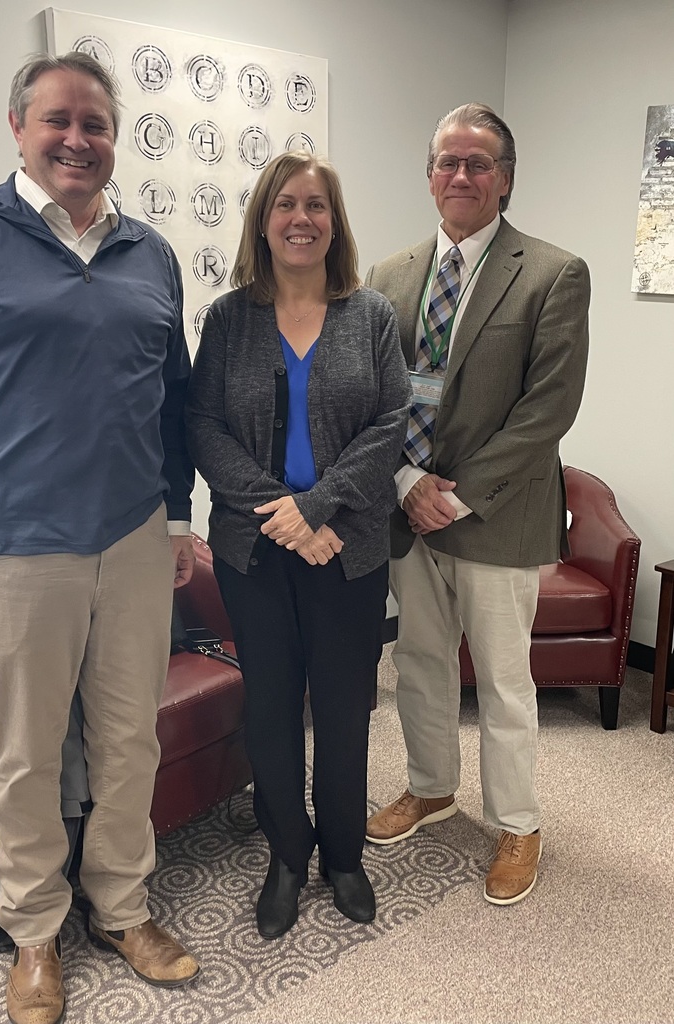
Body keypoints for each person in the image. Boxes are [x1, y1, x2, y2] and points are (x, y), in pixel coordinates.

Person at [0, 52, 199, 1024]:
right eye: (58, 119)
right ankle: (32, 934)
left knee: (126, 740)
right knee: (20, 755)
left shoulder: (149, 251)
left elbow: (173, 401)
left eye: (95, 124)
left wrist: (181, 515)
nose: (77, 139)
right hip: (14, 548)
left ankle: (123, 906)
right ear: (17, 126)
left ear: (113, 139)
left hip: (137, 538)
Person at [364, 103, 590, 905]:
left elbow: (547, 411)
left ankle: (519, 823)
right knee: (420, 664)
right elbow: (373, 397)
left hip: (495, 515)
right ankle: (431, 788)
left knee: (501, 679)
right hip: (406, 510)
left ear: (505, 178)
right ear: (429, 176)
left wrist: (453, 497)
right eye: (448, 162)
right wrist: (403, 483)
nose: (461, 175)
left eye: (479, 163)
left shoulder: (554, 273)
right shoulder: (388, 276)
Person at [186, 151, 411, 938]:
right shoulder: (227, 320)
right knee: (273, 707)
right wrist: (279, 513)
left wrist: (316, 510)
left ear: (334, 221)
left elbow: (392, 426)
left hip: (347, 547)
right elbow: (203, 426)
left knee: (347, 708)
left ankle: (344, 855)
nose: (301, 219)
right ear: (263, 219)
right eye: (286, 204)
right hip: (254, 551)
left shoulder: (372, 315)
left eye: (316, 205)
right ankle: (288, 853)